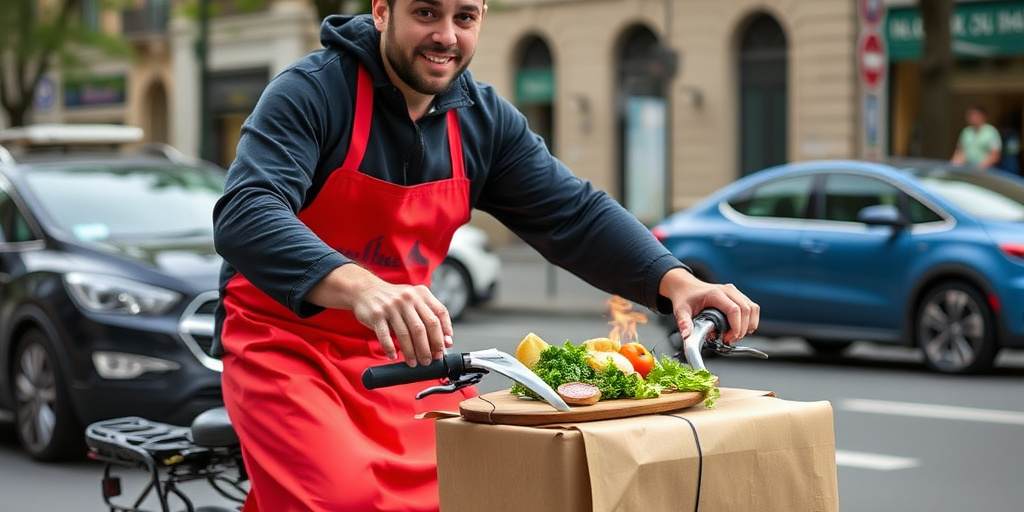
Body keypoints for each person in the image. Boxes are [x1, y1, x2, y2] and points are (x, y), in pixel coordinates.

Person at [211, 1, 760, 510]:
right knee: (343, 499)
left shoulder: (484, 119)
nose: (446, 36)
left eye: (465, 17)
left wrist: (675, 279)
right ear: (381, 10)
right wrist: (362, 287)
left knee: (486, 484)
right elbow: (246, 210)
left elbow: (574, 213)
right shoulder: (311, 92)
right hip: (285, 348)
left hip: (410, 356)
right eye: (426, 12)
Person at [950, 104, 1002, 171]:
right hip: (968, 169)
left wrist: (981, 166)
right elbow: (960, 151)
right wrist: (954, 165)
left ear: (983, 116)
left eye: (975, 115)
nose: (972, 118)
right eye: (970, 115)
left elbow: (995, 155)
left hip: (985, 171)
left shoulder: (991, 132)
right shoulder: (966, 132)